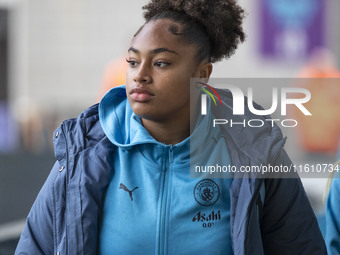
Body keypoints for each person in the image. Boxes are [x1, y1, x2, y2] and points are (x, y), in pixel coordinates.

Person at [15, 0, 326, 254]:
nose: (140, 75)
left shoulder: (254, 151)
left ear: (202, 74)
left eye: (160, 63)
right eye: (133, 62)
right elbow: (34, 248)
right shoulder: (83, 155)